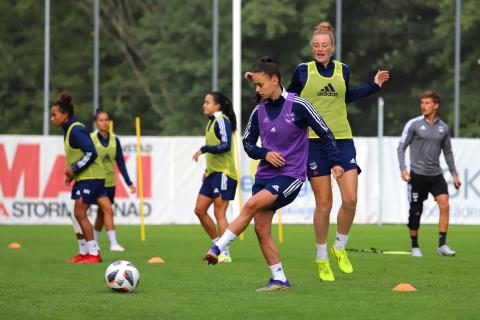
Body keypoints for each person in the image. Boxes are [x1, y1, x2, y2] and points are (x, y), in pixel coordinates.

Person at [203, 57, 343, 291]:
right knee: (261, 229)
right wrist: (265, 153)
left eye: (260, 85)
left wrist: (336, 162)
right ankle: (279, 278)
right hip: (265, 176)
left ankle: (218, 248)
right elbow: (247, 143)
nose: (257, 90)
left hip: (291, 176)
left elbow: (326, 133)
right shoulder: (259, 111)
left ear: (275, 81)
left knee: (250, 206)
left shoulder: (300, 105)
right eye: (255, 85)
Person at [286, 22, 390, 281]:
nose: (320, 49)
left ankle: (339, 247)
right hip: (313, 141)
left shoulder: (343, 70)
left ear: (332, 47)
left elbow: (345, 96)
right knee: (324, 203)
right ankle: (321, 258)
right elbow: (288, 100)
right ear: (312, 49)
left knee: (351, 199)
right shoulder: (302, 72)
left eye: (324, 45)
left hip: (342, 139)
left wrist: (374, 85)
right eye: (316, 46)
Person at [397, 90, 461, 257]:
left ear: (436, 105)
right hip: (416, 175)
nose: (423, 106)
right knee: (416, 211)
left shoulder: (443, 127)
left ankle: (442, 245)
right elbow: (401, 147)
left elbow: (448, 152)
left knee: (445, 205)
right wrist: (403, 169)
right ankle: (415, 246)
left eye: (427, 103)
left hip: (436, 175)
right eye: (422, 103)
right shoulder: (414, 124)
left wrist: (454, 174)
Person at [50, 92, 108, 263]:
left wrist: (74, 169)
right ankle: (84, 252)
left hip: (93, 177)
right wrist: (72, 175)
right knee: (74, 214)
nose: (52, 118)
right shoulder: (68, 130)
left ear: (65, 114)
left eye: (54, 115)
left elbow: (91, 153)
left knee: (79, 212)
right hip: (84, 178)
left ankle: (94, 253)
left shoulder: (76, 129)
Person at [192, 91, 238, 263]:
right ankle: (217, 245)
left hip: (225, 173)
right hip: (212, 174)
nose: (204, 105)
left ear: (217, 105)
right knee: (199, 210)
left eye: (207, 102)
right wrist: (207, 170)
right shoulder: (211, 123)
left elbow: (225, 146)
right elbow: (216, 150)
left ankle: (224, 253)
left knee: (220, 212)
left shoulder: (221, 120)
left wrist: (204, 149)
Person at [91, 110, 136, 252]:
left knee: (102, 213)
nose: (104, 122)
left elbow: (121, 163)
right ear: (96, 123)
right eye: (101, 120)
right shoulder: (91, 138)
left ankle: (93, 242)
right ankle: (114, 243)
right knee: (108, 210)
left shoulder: (114, 140)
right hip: (96, 182)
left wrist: (129, 182)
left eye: (106, 120)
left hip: (111, 183)